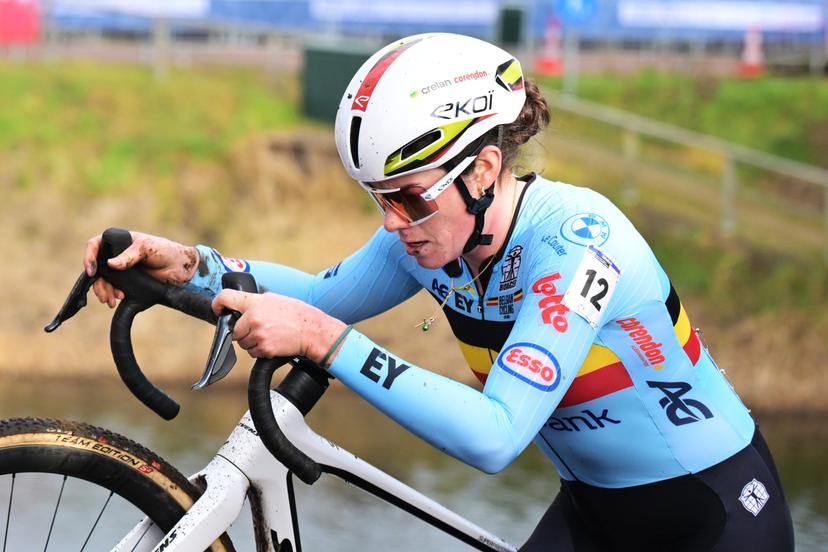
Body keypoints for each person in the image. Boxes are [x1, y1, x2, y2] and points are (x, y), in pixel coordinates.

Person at [83, 33, 794, 551]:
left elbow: (495, 436)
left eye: (410, 199)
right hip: (591, 517)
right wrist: (187, 265)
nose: (394, 224)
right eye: (378, 199)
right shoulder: (432, 239)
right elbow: (319, 293)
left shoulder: (579, 245)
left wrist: (324, 343)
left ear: (485, 169)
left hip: (713, 518)